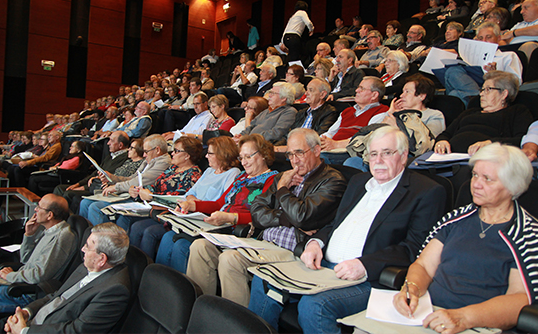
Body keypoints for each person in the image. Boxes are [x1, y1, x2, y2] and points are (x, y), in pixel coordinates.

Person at [248, 126, 447, 333]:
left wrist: (364, 264)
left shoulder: (426, 192)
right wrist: (316, 243)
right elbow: (335, 224)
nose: (378, 160)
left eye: (387, 153)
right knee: (265, 280)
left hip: (368, 278)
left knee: (315, 306)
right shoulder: (359, 181)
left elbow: (413, 248)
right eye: (373, 154)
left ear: (404, 156)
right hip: (324, 266)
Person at [187, 128, 348, 307]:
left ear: (317, 150)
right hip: (263, 241)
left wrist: (283, 190)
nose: (294, 161)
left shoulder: (332, 180)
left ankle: (233, 323)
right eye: (290, 154)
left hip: (290, 250)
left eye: (300, 153)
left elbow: (302, 217)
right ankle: (199, 311)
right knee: (200, 246)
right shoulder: (285, 176)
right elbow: (256, 211)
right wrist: (286, 219)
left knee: (229, 259)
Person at [393, 143, 537, 334]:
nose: (476, 184)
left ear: (513, 186)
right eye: (475, 175)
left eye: (488, 179)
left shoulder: (526, 232)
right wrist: (411, 289)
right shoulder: (455, 219)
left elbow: (520, 298)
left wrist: (463, 317)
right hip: (427, 315)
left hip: (477, 325)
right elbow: (424, 266)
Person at [0, 223, 131, 334]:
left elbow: (77, 331)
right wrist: (27, 312)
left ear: (101, 259)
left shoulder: (114, 290)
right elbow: (55, 296)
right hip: (31, 321)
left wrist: (24, 331)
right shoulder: (87, 266)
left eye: (88, 246)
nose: (82, 249)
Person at [157, 134, 278, 273]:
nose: (244, 162)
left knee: (189, 244)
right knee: (195, 244)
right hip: (220, 227)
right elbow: (220, 203)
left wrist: (231, 217)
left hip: (240, 232)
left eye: (248, 156)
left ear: (263, 154)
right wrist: (192, 205)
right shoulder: (242, 177)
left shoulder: (273, 179)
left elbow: (265, 216)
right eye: (242, 157)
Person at [128, 136, 241, 259]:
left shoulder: (233, 173)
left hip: (206, 220)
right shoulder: (209, 171)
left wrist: (197, 203)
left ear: (222, 154)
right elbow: (189, 193)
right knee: (154, 232)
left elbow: (223, 203)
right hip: (189, 215)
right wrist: (194, 201)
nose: (206, 156)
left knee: (170, 240)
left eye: (210, 153)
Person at [0, 194, 75, 313]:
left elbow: (39, 275)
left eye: (39, 207)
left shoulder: (60, 238)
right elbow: (25, 259)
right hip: (19, 280)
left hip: (24, 292)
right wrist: (29, 235)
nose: (35, 209)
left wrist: (10, 276)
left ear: (49, 215)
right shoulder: (50, 231)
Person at [88, 137, 203, 227]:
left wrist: (151, 196)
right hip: (150, 204)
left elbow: (180, 198)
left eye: (176, 151)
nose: (172, 153)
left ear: (187, 156)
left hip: (166, 210)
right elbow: (155, 185)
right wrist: (138, 191)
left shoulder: (193, 174)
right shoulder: (172, 168)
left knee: (136, 226)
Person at [79, 134, 172, 225]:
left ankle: (100, 237)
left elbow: (138, 181)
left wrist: (116, 187)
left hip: (137, 198)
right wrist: (112, 178)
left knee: (95, 207)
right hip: (129, 193)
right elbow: (132, 178)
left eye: (146, 151)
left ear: (157, 150)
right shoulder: (149, 160)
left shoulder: (164, 163)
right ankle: (85, 236)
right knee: (85, 202)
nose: (144, 155)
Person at [435, 70, 533, 154]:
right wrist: (442, 141)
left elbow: (523, 140)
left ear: (503, 94)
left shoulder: (516, 111)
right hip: (449, 158)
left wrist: (491, 143)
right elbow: (446, 134)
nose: (481, 94)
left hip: (486, 159)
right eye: (482, 89)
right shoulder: (470, 112)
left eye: (488, 89)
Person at [440, 22, 523, 106]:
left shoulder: (508, 56)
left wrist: (494, 74)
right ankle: (478, 96)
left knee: (453, 82)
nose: (484, 41)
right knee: (453, 78)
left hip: (494, 90)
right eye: (480, 38)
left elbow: (516, 83)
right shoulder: (469, 58)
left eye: (488, 37)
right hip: (471, 86)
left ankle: (478, 95)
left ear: (498, 38)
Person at [320, 77, 389, 165]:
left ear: (374, 95)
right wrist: (320, 141)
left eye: (362, 88)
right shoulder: (347, 111)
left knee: (317, 159)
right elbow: (330, 133)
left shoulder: (382, 112)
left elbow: (366, 139)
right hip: (332, 148)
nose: (356, 90)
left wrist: (336, 144)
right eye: (358, 87)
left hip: (351, 151)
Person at [371, 74, 446, 137]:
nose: (401, 95)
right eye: (403, 92)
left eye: (407, 92)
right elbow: (372, 131)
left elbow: (428, 140)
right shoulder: (398, 113)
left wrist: (397, 128)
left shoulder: (434, 115)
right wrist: (390, 112)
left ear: (421, 96)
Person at [275, 77, 337, 148]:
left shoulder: (329, 112)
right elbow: (288, 134)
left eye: (311, 90)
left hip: (306, 149)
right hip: (290, 146)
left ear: (322, 95)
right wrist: (276, 147)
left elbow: (318, 138)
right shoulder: (302, 112)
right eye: (307, 90)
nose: (306, 93)